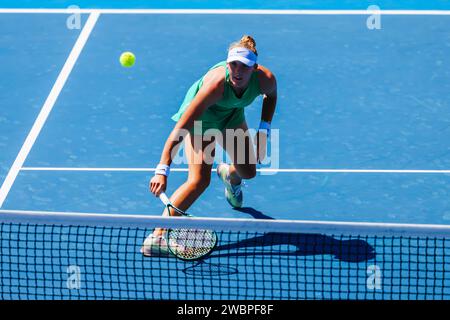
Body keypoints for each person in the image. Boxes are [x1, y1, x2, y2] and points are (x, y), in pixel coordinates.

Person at [141, 35, 277, 256]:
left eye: (244, 66)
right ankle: (156, 237)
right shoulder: (215, 86)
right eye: (233, 64)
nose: (237, 71)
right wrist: (162, 169)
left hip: (231, 114)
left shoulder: (266, 79)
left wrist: (263, 132)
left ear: (254, 68)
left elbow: (270, 96)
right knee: (198, 181)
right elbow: (181, 129)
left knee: (248, 171)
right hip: (201, 123)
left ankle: (229, 175)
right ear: (227, 64)